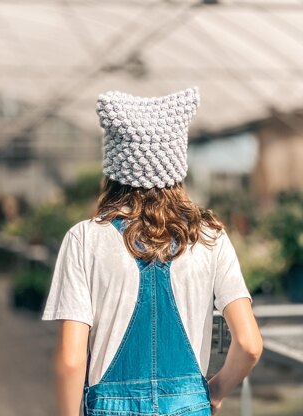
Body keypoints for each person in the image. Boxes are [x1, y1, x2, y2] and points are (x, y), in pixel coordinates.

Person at [41, 86, 263, 416]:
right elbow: (248, 344)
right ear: (177, 164)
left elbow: (71, 361)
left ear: (113, 166)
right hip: (189, 406)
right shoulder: (209, 236)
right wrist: (213, 392)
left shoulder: (84, 239)